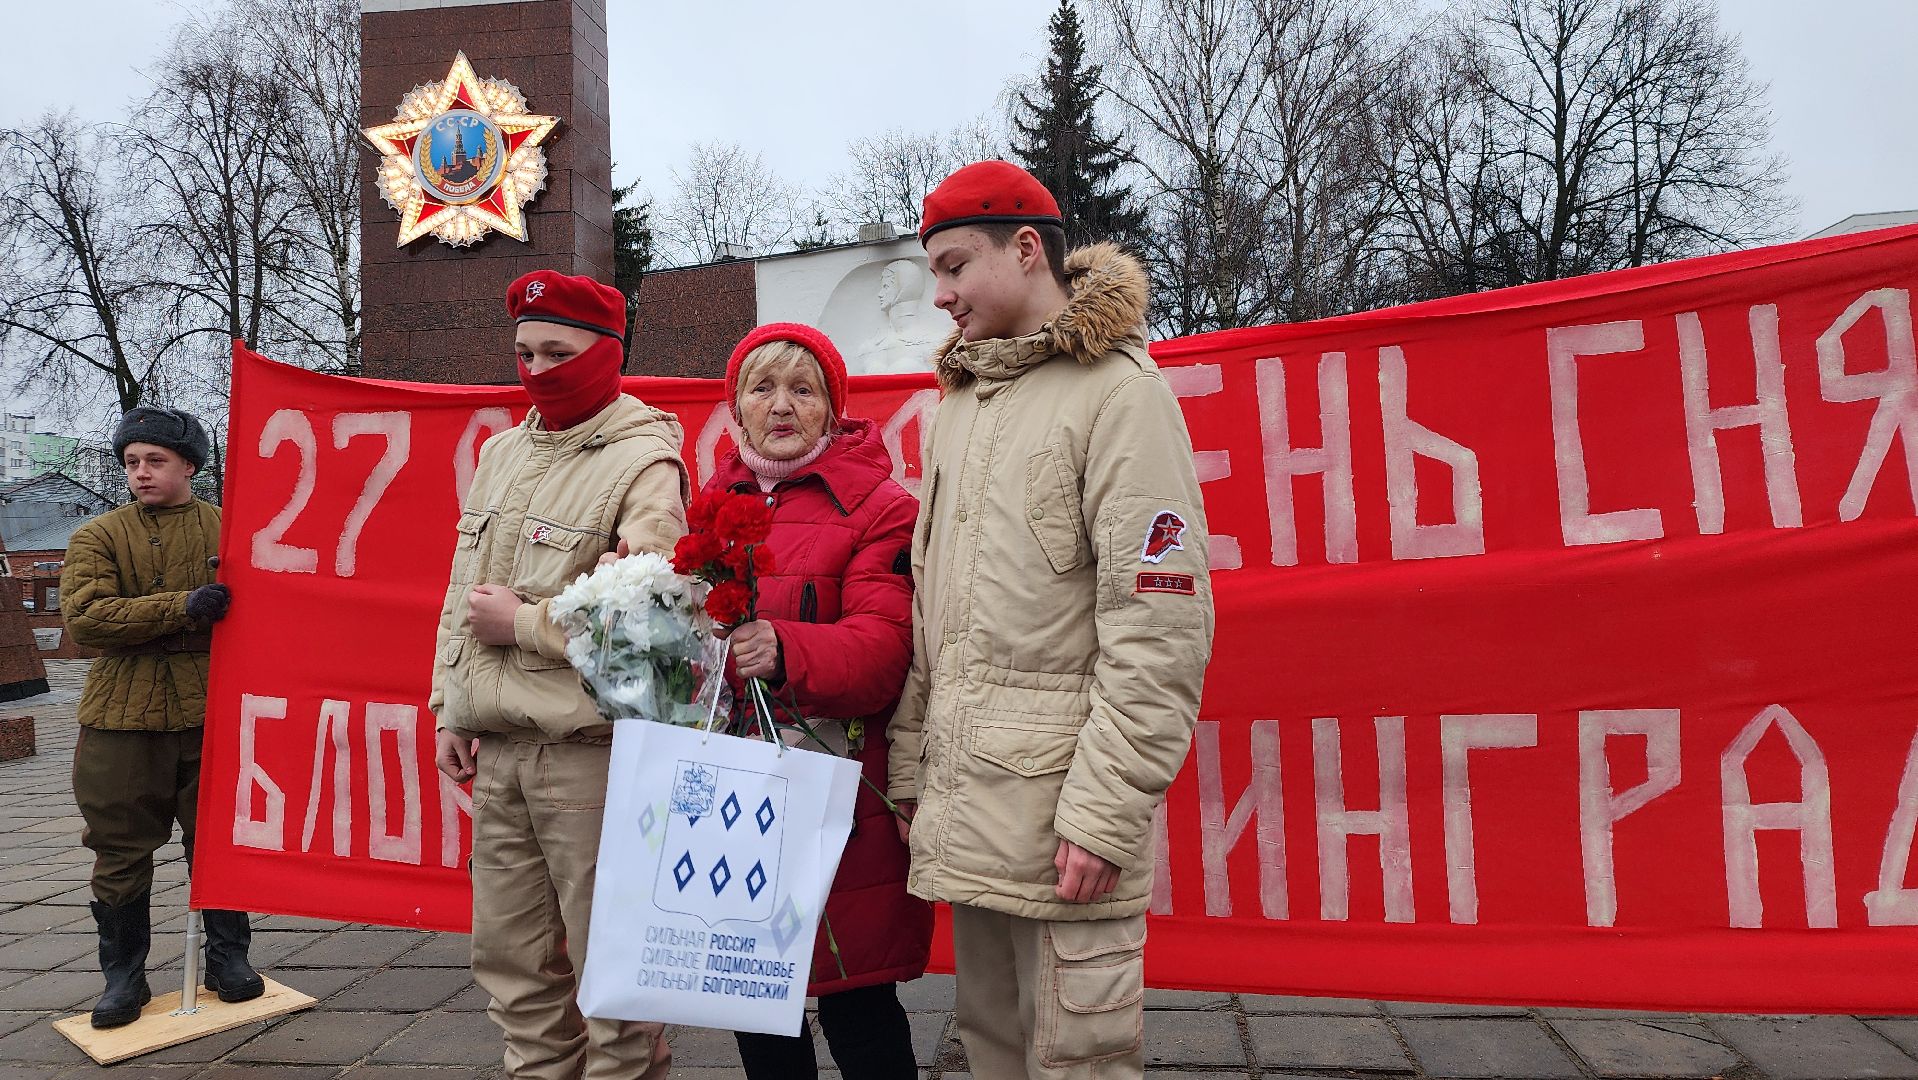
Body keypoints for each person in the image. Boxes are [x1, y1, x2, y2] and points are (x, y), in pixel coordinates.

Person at [886, 161, 1215, 1079]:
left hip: (1067, 819)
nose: (941, 296)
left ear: (1028, 249)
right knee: (992, 1052)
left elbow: (1159, 629)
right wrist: (913, 772)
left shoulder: (1121, 393)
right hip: (972, 809)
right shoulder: (960, 405)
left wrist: (1107, 814)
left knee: (1079, 1061)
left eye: (954, 267)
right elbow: (935, 617)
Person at [430, 270, 687, 1080]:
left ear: (608, 353)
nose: (538, 369)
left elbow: (651, 623)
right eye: (523, 352)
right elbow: (458, 593)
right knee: (513, 972)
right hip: (499, 752)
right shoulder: (503, 452)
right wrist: (449, 708)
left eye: (557, 352)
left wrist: (528, 625)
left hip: (590, 756)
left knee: (615, 979)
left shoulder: (646, 461)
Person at [693, 321, 931, 1079]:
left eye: (804, 389)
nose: (783, 405)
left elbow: (886, 651)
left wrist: (787, 650)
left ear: (834, 408)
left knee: (857, 1004)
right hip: (733, 793)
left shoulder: (879, 506)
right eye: (763, 388)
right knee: (753, 1004)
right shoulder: (709, 502)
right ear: (736, 408)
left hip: (840, 790)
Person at [61, 405, 264, 1028]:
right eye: (131, 463)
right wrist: (184, 608)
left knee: (218, 844)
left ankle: (230, 961)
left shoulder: (230, 532)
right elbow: (87, 619)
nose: (141, 473)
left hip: (212, 710)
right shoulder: (98, 536)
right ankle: (123, 979)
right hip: (121, 718)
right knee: (120, 848)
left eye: (156, 461)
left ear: (190, 467)